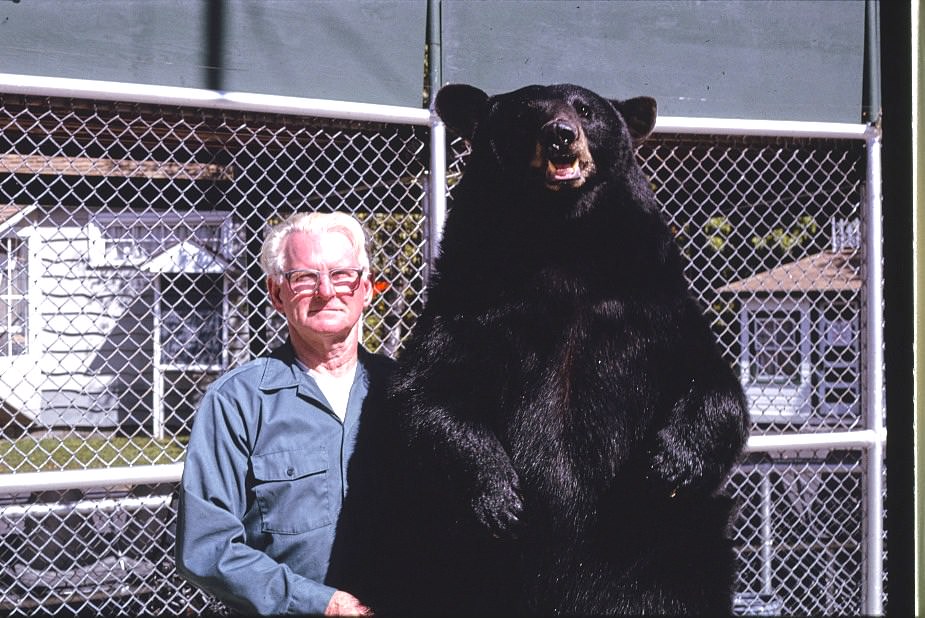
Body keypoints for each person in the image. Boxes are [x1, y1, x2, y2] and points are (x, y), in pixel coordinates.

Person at [175, 211, 395, 616]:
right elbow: (207, 546)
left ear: (366, 288)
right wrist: (320, 604)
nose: (327, 291)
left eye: (342, 275)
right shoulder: (237, 402)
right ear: (277, 294)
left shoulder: (405, 394)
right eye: (305, 278)